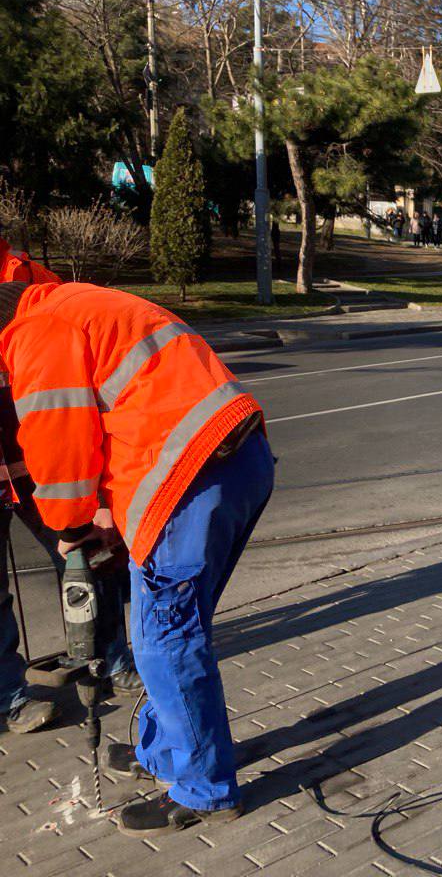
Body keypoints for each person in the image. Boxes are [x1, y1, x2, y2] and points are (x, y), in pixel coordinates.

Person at [0, 281, 273, 834]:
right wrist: (111, 516)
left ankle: (203, 788)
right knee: (168, 632)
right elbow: (124, 412)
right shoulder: (73, 302)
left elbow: (60, 444)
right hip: (236, 458)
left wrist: (72, 527)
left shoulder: (35, 333)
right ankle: (166, 752)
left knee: (165, 641)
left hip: (188, 477)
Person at [0, 237, 138, 734]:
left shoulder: (33, 278)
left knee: (91, 558)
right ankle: (9, 696)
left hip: (43, 458)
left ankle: (110, 661)